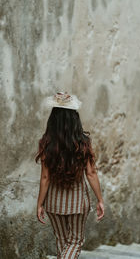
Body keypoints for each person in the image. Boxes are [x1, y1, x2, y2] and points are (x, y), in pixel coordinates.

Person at [35, 92, 104, 259]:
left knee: (62, 240)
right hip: (78, 202)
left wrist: (40, 204)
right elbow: (91, 173)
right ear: (75, 118)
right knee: (75, 241)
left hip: (53, 202)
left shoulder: (46, 142)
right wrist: (100, 200)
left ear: (53, 119)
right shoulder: (83, 142)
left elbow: (45, 178)